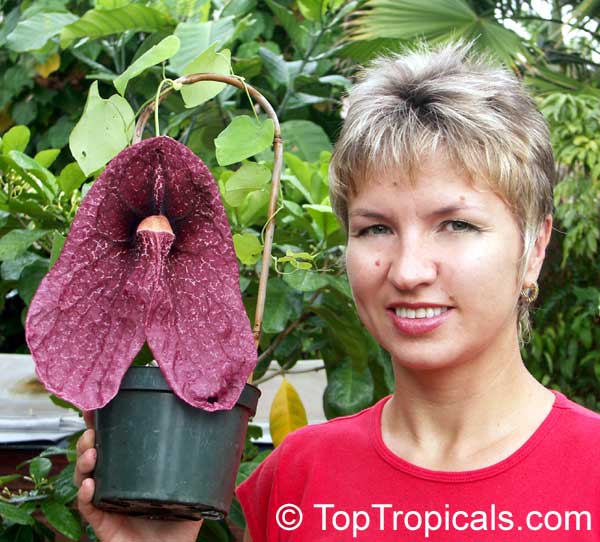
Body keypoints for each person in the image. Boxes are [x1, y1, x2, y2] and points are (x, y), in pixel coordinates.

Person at [74, 41, 600, 542]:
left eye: (456, 224)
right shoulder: (297, 477)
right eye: (375, 228)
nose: (408, 270)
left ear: (534, 247)